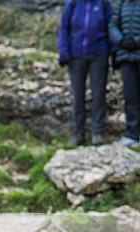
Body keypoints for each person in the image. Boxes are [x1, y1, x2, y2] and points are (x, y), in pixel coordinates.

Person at [58, 0, 114, 146]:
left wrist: (115, 53)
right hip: (76, 57)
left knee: (99, 95)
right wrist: (63, 51)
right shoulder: (73, 4)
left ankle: (97, 133)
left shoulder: (104, 4)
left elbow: (111, 27)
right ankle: (78, 133)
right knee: (78, 96)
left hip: (99, 56)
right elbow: (63, 28)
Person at [110, 0, 140, 147]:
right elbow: (113, 25)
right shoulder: (122, 4)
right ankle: (132, 135)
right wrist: (120, 40)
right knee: (130, 96)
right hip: (126, 58)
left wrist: (136, 41)